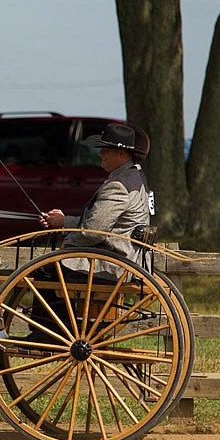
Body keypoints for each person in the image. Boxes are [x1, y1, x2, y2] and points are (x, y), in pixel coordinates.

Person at [25, 122, 152, 344]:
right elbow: (102, 222)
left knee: (46, 269)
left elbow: (93, 232)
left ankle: (52, 333)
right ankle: (60, 329)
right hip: (126, 257)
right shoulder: (134, 177)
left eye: (106, 149)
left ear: (121, 153)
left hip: (114, 263)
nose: (100, 153)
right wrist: (64, 222)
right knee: (52, 266)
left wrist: (70, 243)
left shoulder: (118, 186)